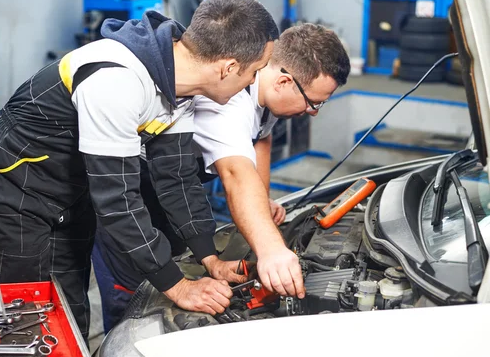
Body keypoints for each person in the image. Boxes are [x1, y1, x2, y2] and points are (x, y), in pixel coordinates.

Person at [0, 0, 278, 340]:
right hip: (12, 190)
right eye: (254, 72)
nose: (253, 82)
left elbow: (176, 179)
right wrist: (177, 286)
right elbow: (118, 201)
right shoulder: (117, 79)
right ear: (229, 67)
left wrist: (210, 257)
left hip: (71, 191)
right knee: (24, 315)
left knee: (69, 312)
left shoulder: (180, 84)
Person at [93, 23, 351, 333]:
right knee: (137, 298)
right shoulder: (229, 103)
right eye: (314, 102)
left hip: (177, 194)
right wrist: (270, 250)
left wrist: (262, 201)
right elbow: (235, 173)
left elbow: (261, 140)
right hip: (129, 195)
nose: (314, 112)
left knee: (185, 269)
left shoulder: (267, 97)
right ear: (285, 81)